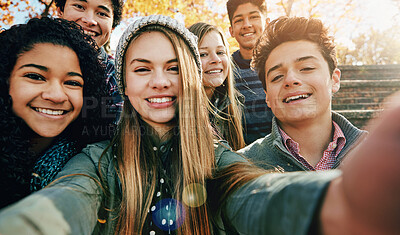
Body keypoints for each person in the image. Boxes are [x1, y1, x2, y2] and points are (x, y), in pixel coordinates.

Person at [2, 15, 400, 235]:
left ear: (191, 79)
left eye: (174, 68)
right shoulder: (97, 161)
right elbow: (68, 199)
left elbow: (255, 191)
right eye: (142, 69)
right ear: (124, 83)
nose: (160, 81)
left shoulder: (218, 159)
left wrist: (334, 205)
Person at [0, 17, 113, 209]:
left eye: (72, 82)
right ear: (5, 80)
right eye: (35, 77)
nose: (56, 95)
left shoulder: (96, 160)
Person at [238, 16, 367, 171]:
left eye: (306, 68)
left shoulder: (380, 153)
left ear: (334, 79)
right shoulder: (242, 167)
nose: (290, 79)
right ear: (267, 96)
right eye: (277, 76)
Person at [55, 0, 125, 121]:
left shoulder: (116, 75)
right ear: (60, 11)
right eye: (79, 7)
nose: (90, 20)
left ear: (113, 25)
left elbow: (116, 135)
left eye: (102, 14)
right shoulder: (30, 55)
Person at [188, 22, 245, 150]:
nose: (216, 60)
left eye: (220, 52)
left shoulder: (234, 103)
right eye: (203, 54)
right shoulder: (178, 109)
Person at [226, 0, 274, 144]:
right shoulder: (224, 71)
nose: (247, 24)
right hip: (241, 158)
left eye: (253, 17)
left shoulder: (280, 64)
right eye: (239, 20)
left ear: (267, 23)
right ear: (231, 31)